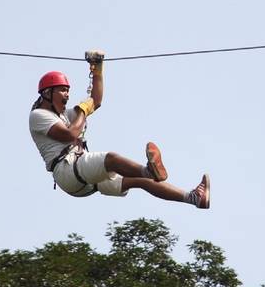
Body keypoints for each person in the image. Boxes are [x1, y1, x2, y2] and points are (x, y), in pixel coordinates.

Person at [28, 49, 210, 209]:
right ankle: (149, 170)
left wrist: (97, 69)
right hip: (67, 171)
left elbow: (96, 101)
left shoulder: (65, 115)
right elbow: (69, 135)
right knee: (111, 159)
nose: (67, 95)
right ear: (47, 93)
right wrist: (82, 111)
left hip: (82, 177)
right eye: (62, 90)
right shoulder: (38, 115)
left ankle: (193, 198)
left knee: (143, 182)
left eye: (67, 90)